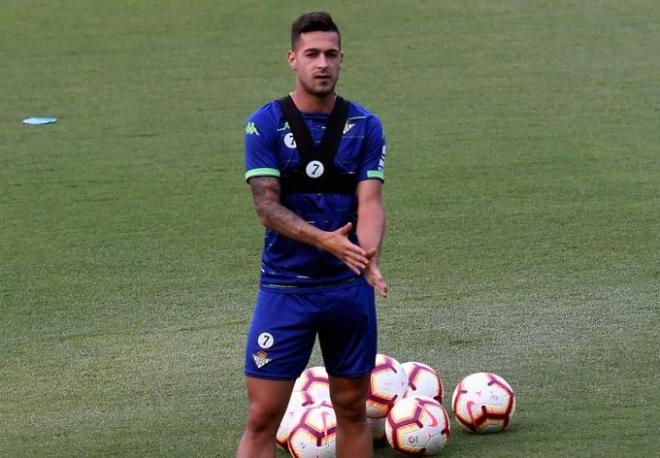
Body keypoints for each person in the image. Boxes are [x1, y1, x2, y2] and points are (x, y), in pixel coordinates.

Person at [237, 11, 388, 458]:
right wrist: (326, 241)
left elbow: (370, 202)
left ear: (342, 60)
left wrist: (369, 252)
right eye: (312, 54)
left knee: (352, 408)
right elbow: (266, 207)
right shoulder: (264, 124)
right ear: (292, 59)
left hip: (347, 288)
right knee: (263, 415)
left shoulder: (366, 125)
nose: (322, 63)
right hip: (287, 289)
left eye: (330, 54)